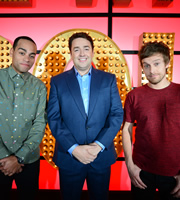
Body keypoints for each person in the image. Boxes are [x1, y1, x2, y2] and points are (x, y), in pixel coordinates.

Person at [47, 32, 123, 200]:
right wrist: (74, 148)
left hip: (101, 156)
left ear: (92, 52)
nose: (82, 53)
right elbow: (53, 118)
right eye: (77, 49)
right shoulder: (57, 81)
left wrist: (98, 145)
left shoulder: (108, 79)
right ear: (71, 53)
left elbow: (117, 115)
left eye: (86, 48)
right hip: (70, 157)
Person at [122, 41, 180, 200]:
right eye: (146, 65)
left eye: (156, 64)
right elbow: (126, 129)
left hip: (174, 173)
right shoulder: (134, 95)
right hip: (141, 171)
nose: (151, 70)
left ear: (167, 63)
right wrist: (130, 166)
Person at [0, 36, 47, 200]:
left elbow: (40, 124)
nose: (27, 59)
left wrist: (18, 158)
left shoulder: (40, 87)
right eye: (22, 52)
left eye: (32, 55)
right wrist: (5, 158)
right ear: (12, 52)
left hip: (29, 161)